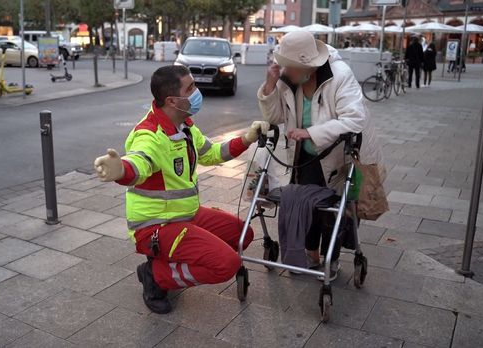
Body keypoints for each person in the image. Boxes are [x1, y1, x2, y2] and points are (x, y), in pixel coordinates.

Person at [93, 65, 268, 314]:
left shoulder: (184, 125)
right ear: (172, 100)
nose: (197, 91)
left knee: (243, 235)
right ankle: (155, 275)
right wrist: (121, 169)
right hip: (156, 227)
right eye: (191, 87)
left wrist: (247, 138)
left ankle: (168, 261)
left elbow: (212, 153)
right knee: (227, 265)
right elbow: (140, 162)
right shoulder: (150, 134)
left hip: (186, 215)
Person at [257, 30, 383, 281]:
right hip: (302, 157)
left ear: (308, 66)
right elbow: (273, 117)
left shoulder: (339, 76)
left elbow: (354, 119)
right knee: (307, 207)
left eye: (290, 67)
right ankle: (311, 254)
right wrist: (270, 86)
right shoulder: (287, 80)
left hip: (338, 156)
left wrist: (311, 132)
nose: (285, 71)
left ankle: (331, 259)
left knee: (334, 211)